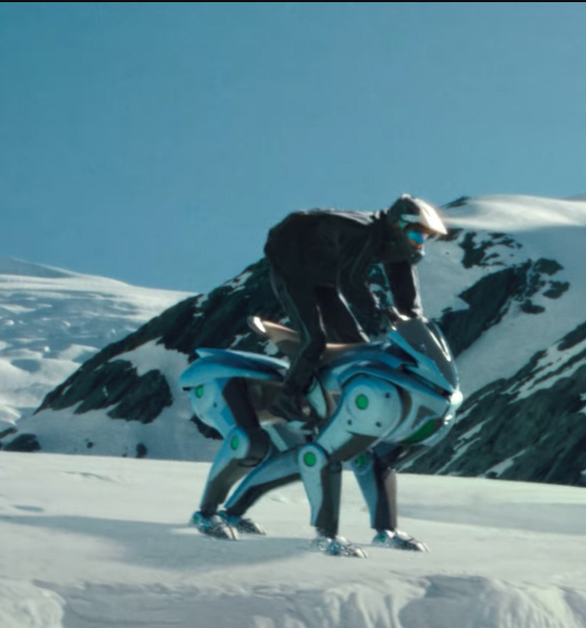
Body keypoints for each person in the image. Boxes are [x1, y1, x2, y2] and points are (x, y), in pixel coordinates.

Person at [191, 195, 448, 556]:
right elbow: (352, 283)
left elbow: (407, 296)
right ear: (398, 227)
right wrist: (377, 314)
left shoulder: (399, 247)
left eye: (427, 237)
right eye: (418, 235)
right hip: (293, 262)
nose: (422, 243)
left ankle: (326, 399)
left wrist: (409, 321)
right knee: (314, 340)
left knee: (356, 349)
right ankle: (291, 396)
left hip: (324, 270)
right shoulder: (366, 235)